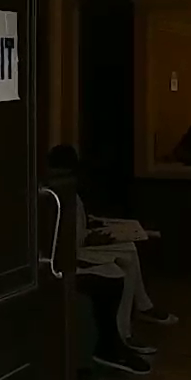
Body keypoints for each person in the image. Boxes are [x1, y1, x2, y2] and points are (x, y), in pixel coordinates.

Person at [48, 145, 178, 355]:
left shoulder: (70, 195)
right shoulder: (54, 196)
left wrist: (94, 231)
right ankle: (122, 335)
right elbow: (64, 241)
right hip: (71, 254)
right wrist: (91, 240)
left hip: (80, 244)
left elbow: (77, 228)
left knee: (128, 249)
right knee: (118, 268)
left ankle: (141, 308)